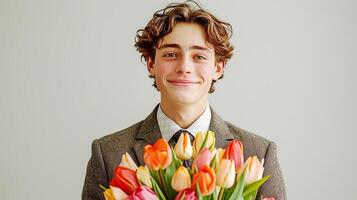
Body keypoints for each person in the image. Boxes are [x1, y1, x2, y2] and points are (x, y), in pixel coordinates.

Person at [82, 1, 287, 199]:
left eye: (199, 56)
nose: (184, 67)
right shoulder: (108, 153)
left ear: (218, 67)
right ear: (151, 64)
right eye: (171, 54)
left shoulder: (259, 153)